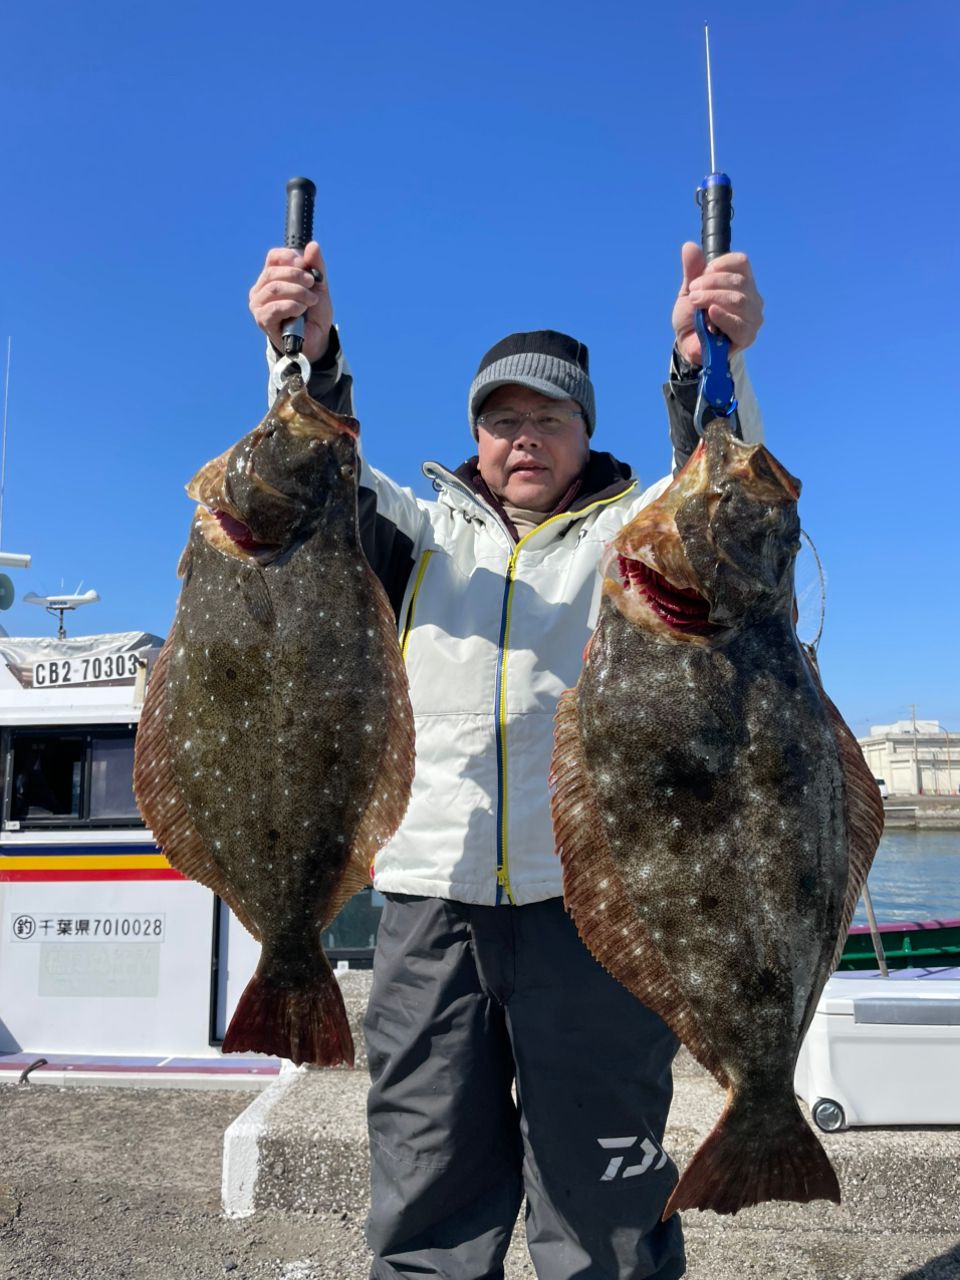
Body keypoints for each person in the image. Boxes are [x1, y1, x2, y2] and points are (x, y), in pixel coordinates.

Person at [249, 239, 764, 1280]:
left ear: (587, 430)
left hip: (595, 910)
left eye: (549, 418)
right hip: (429, 904)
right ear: (476, 436)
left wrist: (712, 365)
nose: (524, 438)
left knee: (604, 1202)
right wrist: (303, 354)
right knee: (426, 1188)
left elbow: (729, 506)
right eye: (502, 419)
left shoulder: (637, 535)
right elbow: (311, 479)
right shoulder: (416, 533)